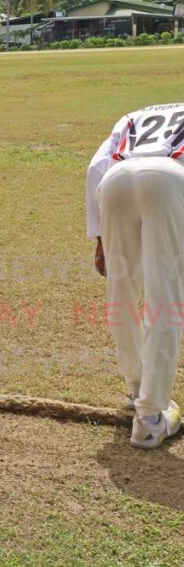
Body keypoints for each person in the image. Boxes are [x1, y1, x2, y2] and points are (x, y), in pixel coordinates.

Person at [87, 102, 184, 449]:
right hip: (169, 177)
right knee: (166, 297)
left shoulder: (134, 114)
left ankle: (136, 388)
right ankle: (152, 416)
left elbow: (97, 166)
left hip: (115, 180)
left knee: (121, 289)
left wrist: (100, 241)